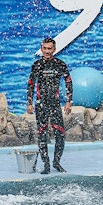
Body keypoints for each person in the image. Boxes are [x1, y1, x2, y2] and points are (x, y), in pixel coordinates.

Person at [26, 37, 72, 174]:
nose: (47, 51)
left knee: (60, 134)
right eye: (44, 48)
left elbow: (68, 82)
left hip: (55, 104)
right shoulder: (37, 65)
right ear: (41, 49)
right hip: (41, 104)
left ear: (54, 49)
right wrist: (29, 103)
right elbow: (30, 84)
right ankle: (46, 165)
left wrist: (69, 101)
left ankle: (56, 162)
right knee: (42, 134)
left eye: (49, 48)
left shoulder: (60, 64)